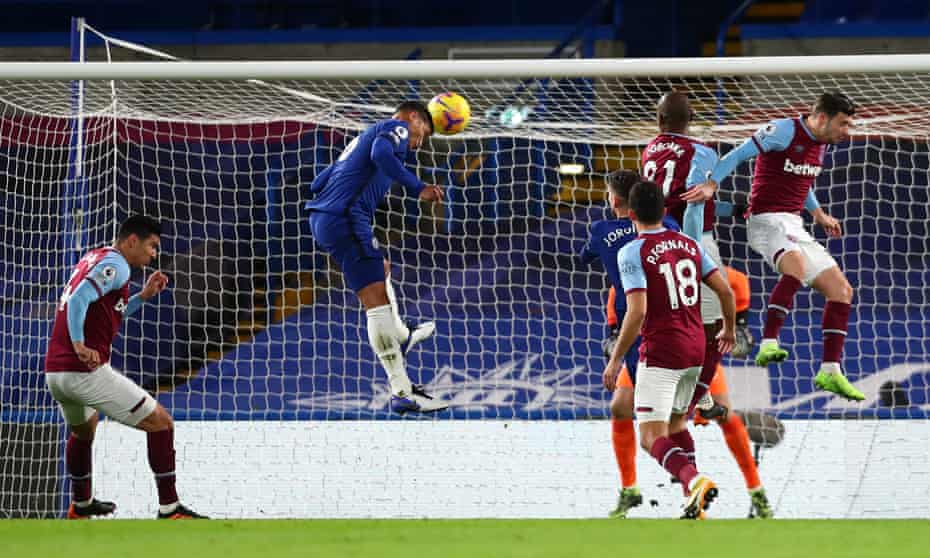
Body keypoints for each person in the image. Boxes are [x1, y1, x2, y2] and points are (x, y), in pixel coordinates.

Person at [701, 92, 863, 401]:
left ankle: (830, 370)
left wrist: (818, 214)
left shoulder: (821, 144)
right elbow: (737, 155)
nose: (847, 131)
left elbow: (802, 181)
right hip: (765, 220)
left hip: (793, 224)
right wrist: (712, 183)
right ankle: (768, 342)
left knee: (841, 290)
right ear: (822, 118)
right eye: (843, 124)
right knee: (797, 267)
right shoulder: (783, 131)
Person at [45, 215, 206, 519]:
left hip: (56, 372)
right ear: (132, 240)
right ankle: (170, 508)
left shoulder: (94, 257)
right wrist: (79, 344)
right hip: (82, 371)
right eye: (152, 246)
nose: (154, 255)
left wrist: (143, 297)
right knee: (161, 423)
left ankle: (80, 505)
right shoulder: (117, 264)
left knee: (84, 430)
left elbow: (109, 311)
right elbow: (79, 300)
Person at [605, 180, 736, 519]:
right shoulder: (688, 244)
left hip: (662, 351)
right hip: (696, 349)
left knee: (650, 437)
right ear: (665, 211)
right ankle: (693, 504)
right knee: (677, 426)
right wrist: (730, 329)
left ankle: (695, 482)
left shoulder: (631, 251)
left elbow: (637, 311)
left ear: (629, 213)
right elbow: (724, 291)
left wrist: (617, 358)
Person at [305, 101, 447, 414]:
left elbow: (317, 183)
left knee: (379, 271)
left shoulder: (359, 140)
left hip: (327, 218)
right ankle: (401, 390)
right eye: (422, 133)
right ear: (413, 117)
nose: (419, 142)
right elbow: (381, 155)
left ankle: (403, 334)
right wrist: (418, 187)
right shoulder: (394, 128)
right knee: (376, 301)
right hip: (344, 217)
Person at [578, 169, 679, 518]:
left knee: (663, 421)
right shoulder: (671, 228)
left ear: (615, 200)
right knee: (621, 406)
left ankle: (690, 483)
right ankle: (630, 489)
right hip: (674, 318)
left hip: (644, 326)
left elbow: (584, 256)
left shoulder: (601, 231)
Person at [641, 90, 728, 419]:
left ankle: (679, 396)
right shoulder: (703, 152)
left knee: (667, 320)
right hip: (691, 243)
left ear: (660, 120)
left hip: (653, 242)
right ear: (691, 119)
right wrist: (690, 251)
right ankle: (696, 399)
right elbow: (693, 201)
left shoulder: (649, 150)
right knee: (713, 325)